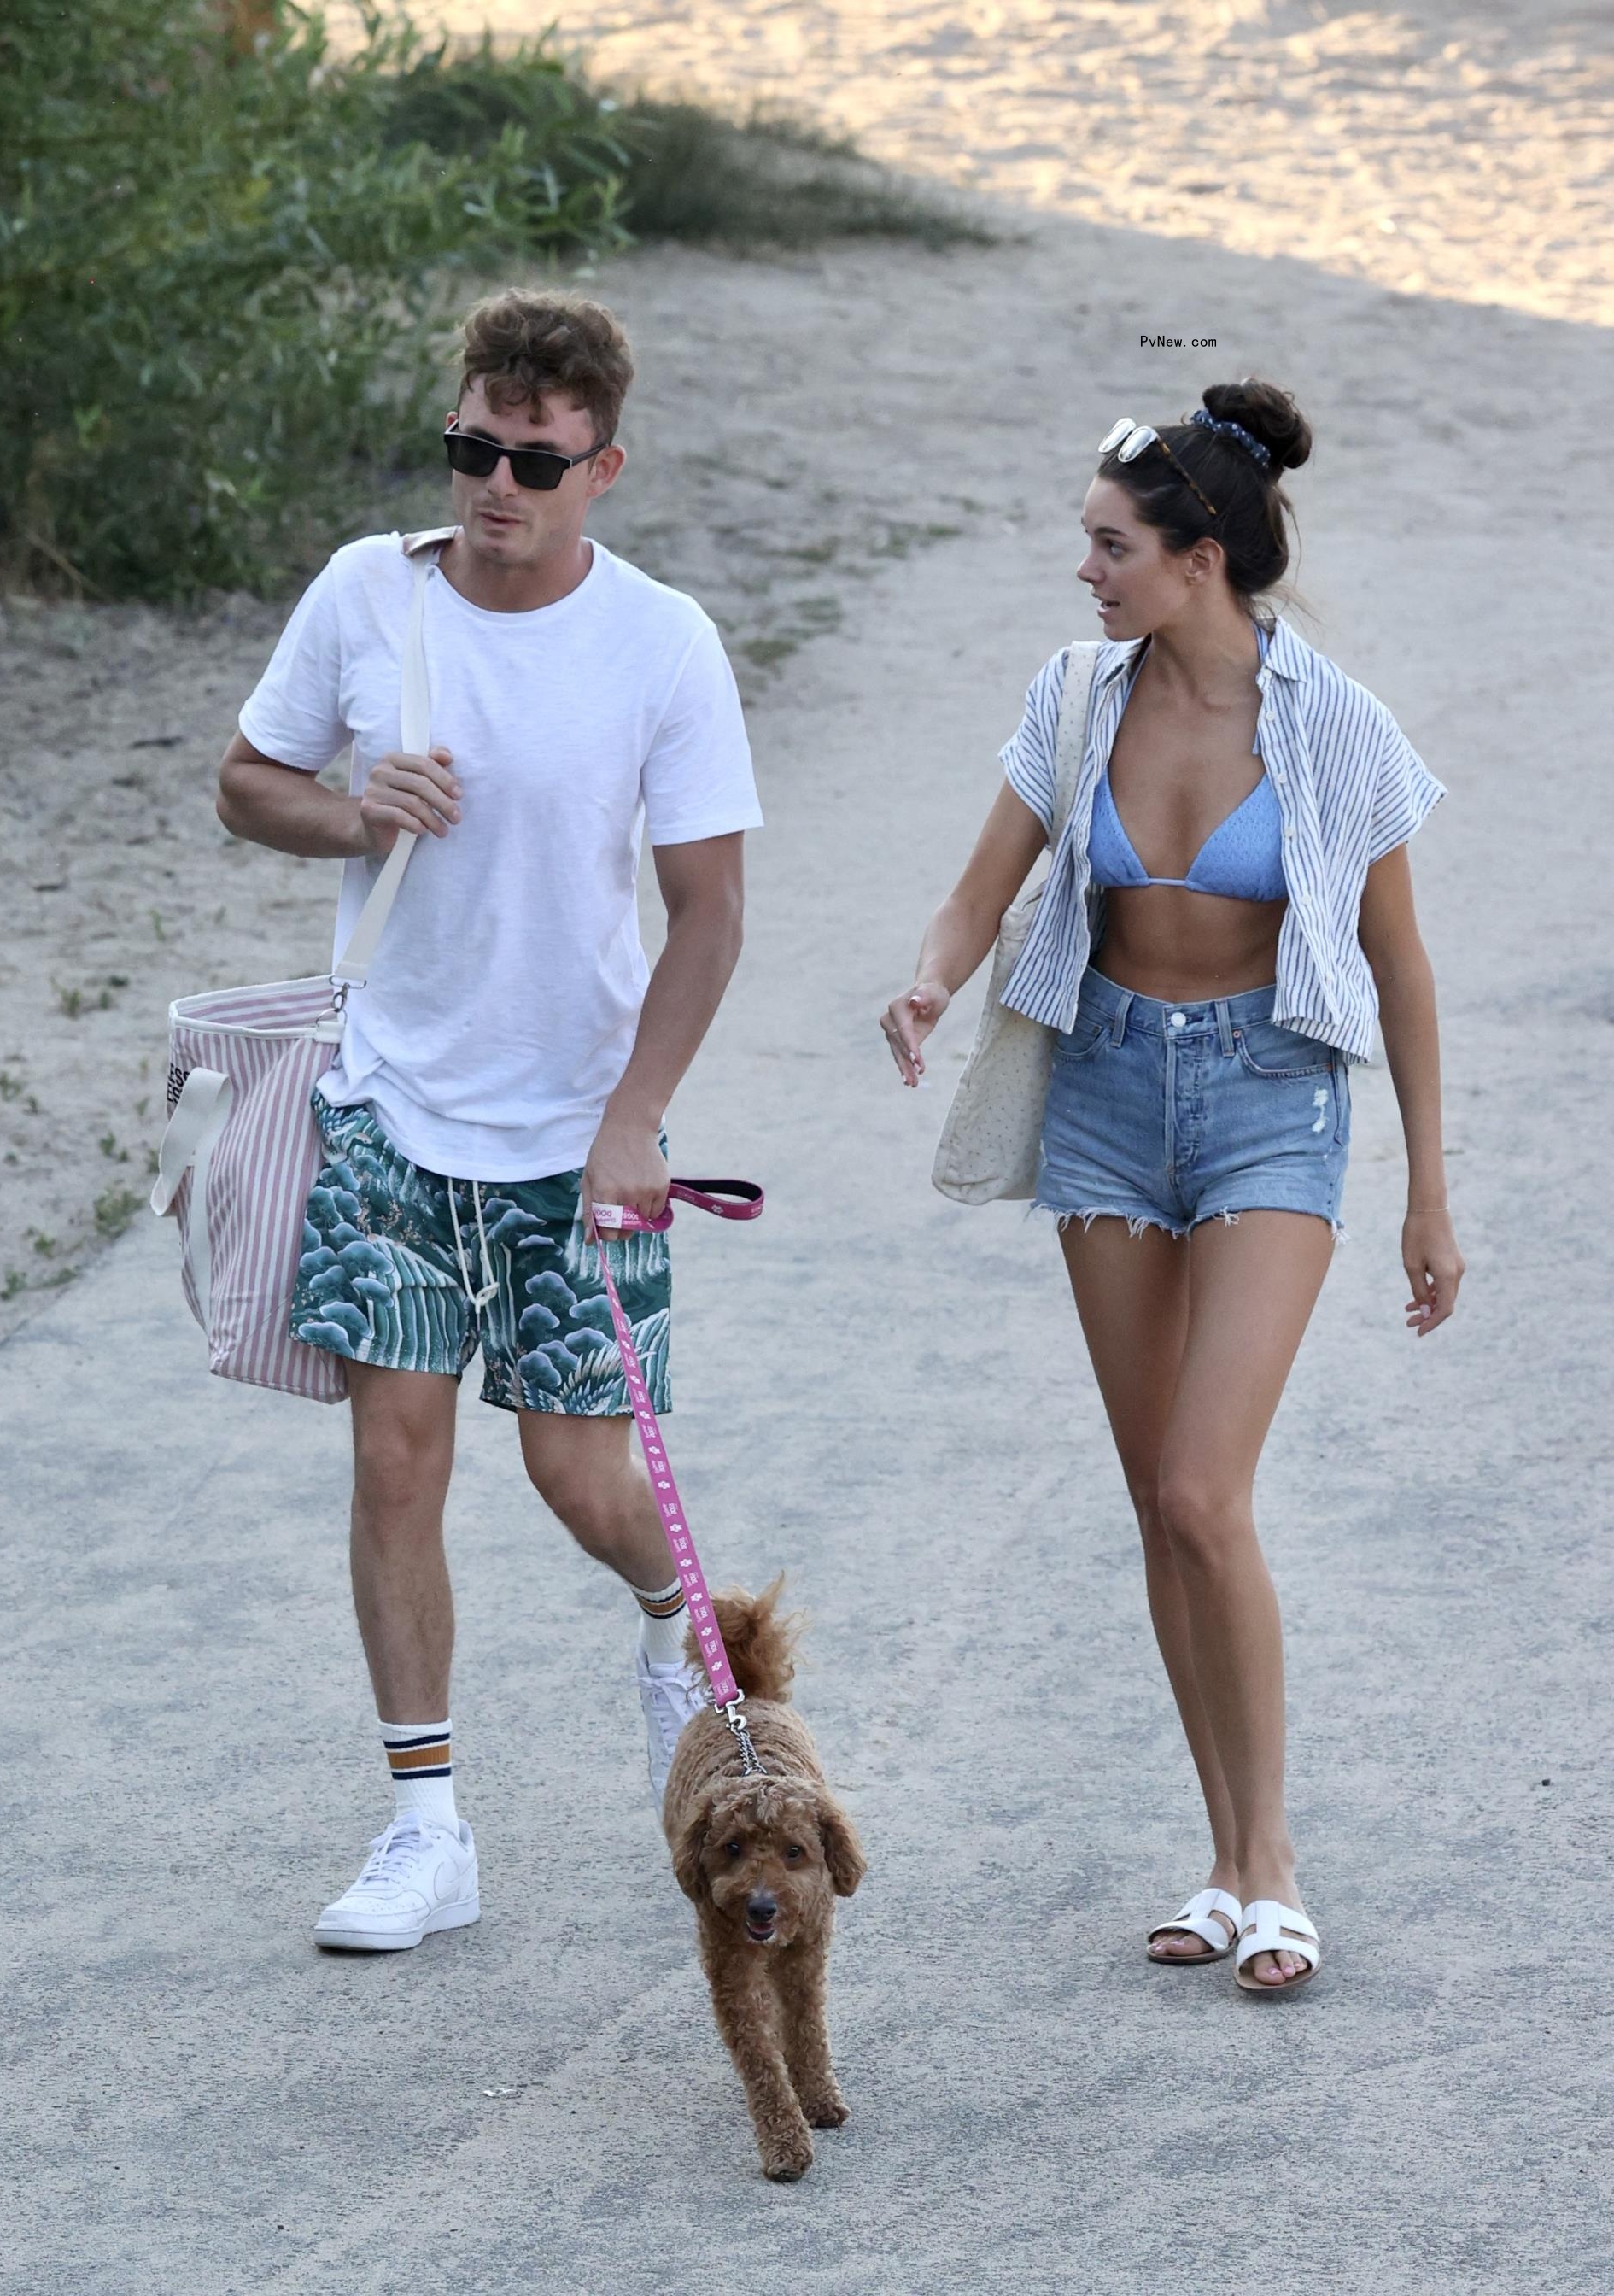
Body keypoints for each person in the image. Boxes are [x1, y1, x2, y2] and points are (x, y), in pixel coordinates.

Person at [881, 380, 1464, 1994]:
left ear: (1201, 556)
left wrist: (1427, 1189)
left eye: (1112, 545)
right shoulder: (1078, 698)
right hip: (1108, 1105)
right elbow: (976, 896)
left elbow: (1401, 969)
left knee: (1207, 1488)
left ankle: (1274, 1862)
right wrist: (930, 983)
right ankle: (1218, 1861)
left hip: (1273, 1100)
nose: (1087, 570)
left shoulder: (1336, 722)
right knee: (1160, 1503)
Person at [216, 289, 762, 1951]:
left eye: (534, 461)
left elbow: (711, 912)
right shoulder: (366, 599)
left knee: (583, 1480)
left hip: (579, 1133)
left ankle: (677, 1630)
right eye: (473, 449)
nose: (495, 487)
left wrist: (637, 1119)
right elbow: (247, 780)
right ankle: (424, 1826)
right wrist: (347, 809)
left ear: (604, 466)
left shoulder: (661, 641)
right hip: (392, 1105)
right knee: (395, 1460)